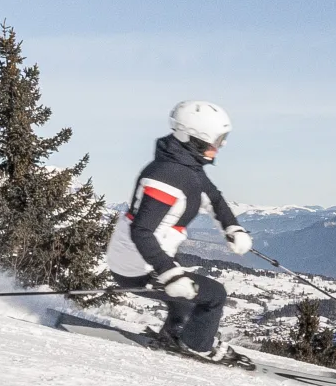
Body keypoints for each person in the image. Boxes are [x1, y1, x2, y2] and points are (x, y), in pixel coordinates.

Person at [103, 100, 253, 360]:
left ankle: (175, 334)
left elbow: (213, 198)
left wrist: (233, 228)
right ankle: (199, 347)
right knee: (214, 295)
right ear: (196, 139)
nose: (222, 145)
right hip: (137, 265)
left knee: (187, 293)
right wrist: (170, 275)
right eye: (218, 139)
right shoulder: (165, 178)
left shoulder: (186, 168)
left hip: (151, 257)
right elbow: (142, 231)